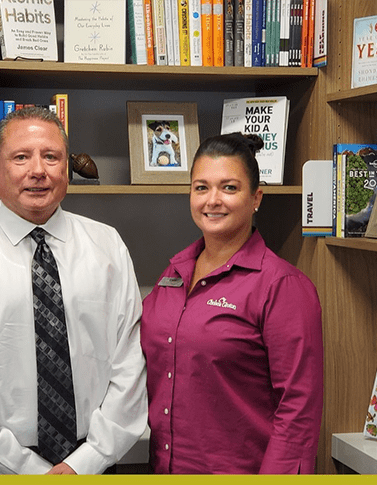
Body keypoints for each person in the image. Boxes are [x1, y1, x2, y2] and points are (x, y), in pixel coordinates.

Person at [0, 106, 147, 475]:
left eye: (51, 157)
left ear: (66, 168)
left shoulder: (108, 248)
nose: (38, 170)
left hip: (89, 463)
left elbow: (130, 366)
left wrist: (84, 463)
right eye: (21, 157)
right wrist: (28, 471)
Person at [140, 132, 323, 474]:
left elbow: (298, 412)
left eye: (229, 187)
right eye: (201, 187)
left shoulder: (282, 286)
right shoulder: (174, 273)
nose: (212, 200)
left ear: (256, 197)